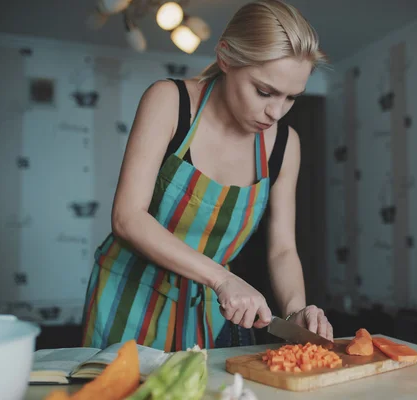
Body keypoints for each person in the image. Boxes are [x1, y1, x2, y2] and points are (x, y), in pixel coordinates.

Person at [81, 0, 333, 352]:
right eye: (264, 91)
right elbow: (127, 217)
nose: (276, 112)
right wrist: (221, 278)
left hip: (208, 311)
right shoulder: (169, 101)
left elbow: (283, 249)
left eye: (292, 97)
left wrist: (296, 311)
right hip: (128, 296)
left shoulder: (285, 146)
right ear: (226, 58)